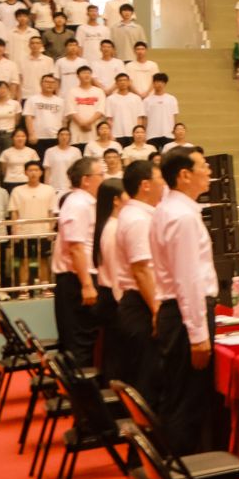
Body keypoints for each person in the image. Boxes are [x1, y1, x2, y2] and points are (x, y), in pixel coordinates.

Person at [149, 145, 218, 452]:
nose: (209, 171)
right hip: (183, 315)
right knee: (187, 400)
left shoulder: (169, 210)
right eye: (203, 166)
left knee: (179, 395)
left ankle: (175, 464)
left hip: (175, 312)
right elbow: (187, 279)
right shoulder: (182, 217)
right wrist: (198, 335)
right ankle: (184, 470)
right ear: (184, 175)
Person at [98, 160, 162, 399]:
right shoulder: (137, 219)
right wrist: (156, 310)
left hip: (135, 300)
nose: (164, 184)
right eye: (160, 179)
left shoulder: (135, 215)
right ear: (145, 185)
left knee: (141, 372)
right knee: (146, 377)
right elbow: (141, 269)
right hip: (139, 303)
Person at [49, 156, 101, 366]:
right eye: (100, 175)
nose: (103, 179)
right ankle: (79, 386)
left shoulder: (85, 202)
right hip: (76, 279)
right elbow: (76, 247)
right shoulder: (78, 204)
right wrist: (87, 284)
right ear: (86, 180)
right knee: (79, 341)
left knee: (86, 338)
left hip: (80, 277)